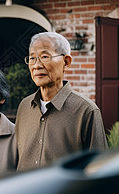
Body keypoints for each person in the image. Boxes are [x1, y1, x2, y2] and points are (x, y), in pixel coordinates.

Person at [16, 31, 107, 171]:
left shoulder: (86, 111)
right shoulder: (24, 107)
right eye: (32, 58)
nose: (36, 65)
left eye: (45, 57)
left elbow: (99, 168)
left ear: (66, 62)